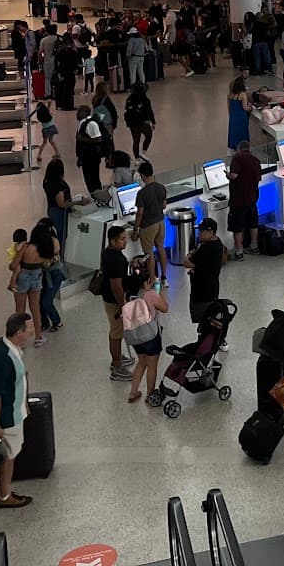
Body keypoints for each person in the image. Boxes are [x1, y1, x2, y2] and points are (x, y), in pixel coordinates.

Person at [0, 312, 35, 509]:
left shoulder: (2, 345)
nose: (32, 331)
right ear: (18, 332)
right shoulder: (3, 358)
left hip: (13, 411)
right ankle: (5, 496)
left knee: (3, 455)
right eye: (29, 329)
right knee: (8, 456)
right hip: (7, 418)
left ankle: (1, 484)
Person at [120, 256, 169, 404]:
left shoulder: (127, 295)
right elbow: (165, 308)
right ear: (146, 282)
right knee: (152, 365)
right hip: (150, 334)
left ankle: (133, 392)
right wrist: (158, 293)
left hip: (134, 335)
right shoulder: (150, 295)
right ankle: (149, 395)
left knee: (141, 362)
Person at [100, 225, 133, 381]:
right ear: (113, 241)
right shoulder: (116, 259)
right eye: (122, 239)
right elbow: (116, 286)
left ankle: (117, 357)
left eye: (125, 237)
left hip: (109, 298)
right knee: (116, 333)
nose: (125, 241)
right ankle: (117, 366)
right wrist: (122, 304)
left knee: (115, 331)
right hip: (114, 301)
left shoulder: (108, 253)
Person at [7, 228, 46, 347]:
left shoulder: (24, 248)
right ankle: (38, 337)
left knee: (20, 310)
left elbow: (13, 265)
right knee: (35, 308)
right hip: (37, 276)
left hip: (23, 278)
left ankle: (21, 341)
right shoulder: (42, 249)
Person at [133, 159, 169, 286]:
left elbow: (140, 214)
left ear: (142, 175)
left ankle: (153, 279)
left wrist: (135, 229)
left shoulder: (142, 193)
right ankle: (165, 277)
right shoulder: (161, 187)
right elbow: (164, 205)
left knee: (149, 254)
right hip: (160, 222)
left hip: (148, 226)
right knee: (161, 248)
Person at [184, 216, 226, 323]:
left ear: (210, 232)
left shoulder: (206, 249)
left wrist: (189, 256)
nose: (199, 233)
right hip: (211, 289)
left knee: (203, 321)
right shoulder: (217, 243)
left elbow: (186, 262)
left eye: (201, 231)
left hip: (202, 293)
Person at [227, 138, 263, 260]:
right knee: (253, 224)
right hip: (252, 199)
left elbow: (234, 175)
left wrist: (227, 175)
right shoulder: (256, 160)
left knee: (237, 226)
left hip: (238, 200)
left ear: (239, 149)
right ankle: (254, 247)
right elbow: (258, 178)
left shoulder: (237, 158)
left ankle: (239, 252)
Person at [31, 219, 64, 333]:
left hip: (54, 276)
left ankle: (57, 321)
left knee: (46, 301)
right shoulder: (39, 243)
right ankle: (44, 323)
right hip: (43, 276)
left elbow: (47, 262)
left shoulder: (54, 243)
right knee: (40, 301)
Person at [42, 158, 74, 246]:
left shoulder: (46, 181)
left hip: (51, 209)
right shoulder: (59, 185)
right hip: (60, 213)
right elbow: (61, 204)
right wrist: (77, 202)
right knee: (62, 234)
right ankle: (60, 253)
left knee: (57, 232)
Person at [75, 105, 106, 195]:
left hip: (92, 157)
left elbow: (98, 139)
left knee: (93, 179)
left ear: (85, 113)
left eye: (79, 112)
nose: (77, 114)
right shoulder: (83, 123)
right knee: (89, 180)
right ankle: (95, 195)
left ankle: (98, 196)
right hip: (86, 157)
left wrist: (83, 139)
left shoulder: (91, 124)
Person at [227, 76, 253, 153]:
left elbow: (229, 107)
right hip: (241, 117)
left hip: (233, 116)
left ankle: (234, 147)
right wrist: (250, 107)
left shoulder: (229, 95)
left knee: (234, 132)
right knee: (242, 132)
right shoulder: (242, 94)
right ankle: (243, 148)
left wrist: (231, 115)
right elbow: (245, 108)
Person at [33, 100, 59, 165]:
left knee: (44, 142)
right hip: (52, 128)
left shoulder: (40, 116)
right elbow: (49, 105)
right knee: (51, 140)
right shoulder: (48, 113)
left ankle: (39, 155)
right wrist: (48, 103)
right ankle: (57, 152)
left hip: (46, 130)